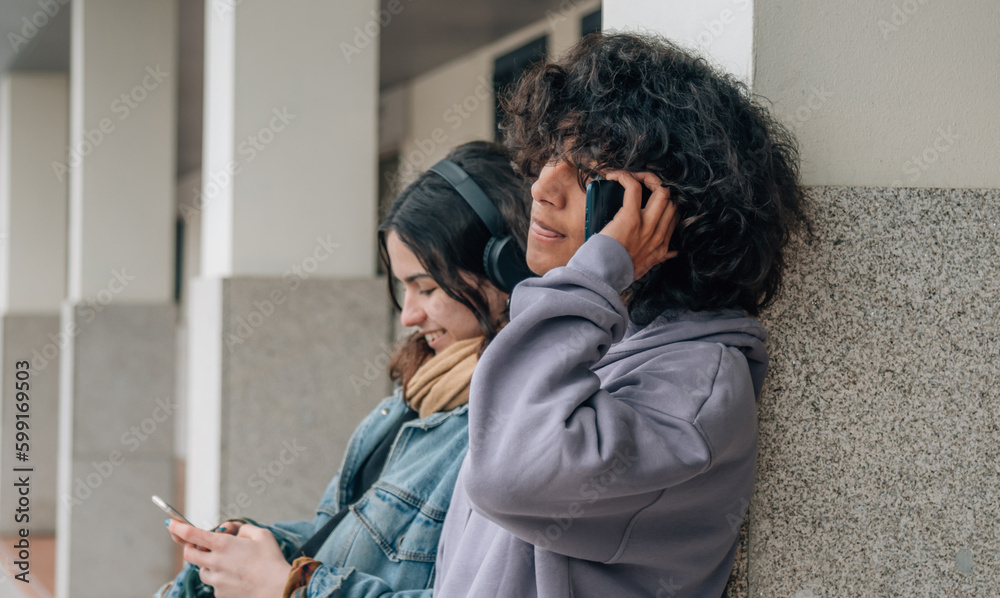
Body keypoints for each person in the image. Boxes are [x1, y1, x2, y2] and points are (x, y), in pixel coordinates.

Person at [432, 33, 808, 597]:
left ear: (667, 212)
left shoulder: (695, 387)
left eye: (588, 177)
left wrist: (598, 269)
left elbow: (509, 477)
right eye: (547, 159)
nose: (541, 188)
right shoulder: (598, 339)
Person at [152, 140, 531, 598]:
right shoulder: (410, 403)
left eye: (426, 288)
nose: (408, 315)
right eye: (403, 288)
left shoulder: (517, 429)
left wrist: (291, 588)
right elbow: (335, 537)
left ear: (506, 271)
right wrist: (248, 551)